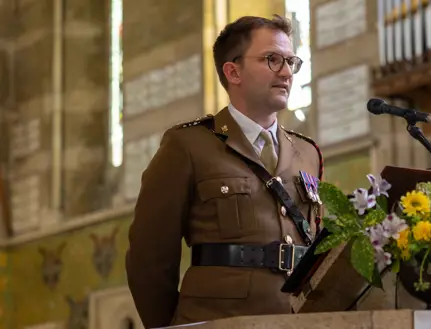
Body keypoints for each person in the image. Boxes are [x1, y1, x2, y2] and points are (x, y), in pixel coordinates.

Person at [125, 15, 323, 328]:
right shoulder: (189, 145)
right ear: (233, 71)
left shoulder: (307, 153)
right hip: (218, 321)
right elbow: (149, 258)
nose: (286, 72)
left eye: (290, 61)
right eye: (272, 59)